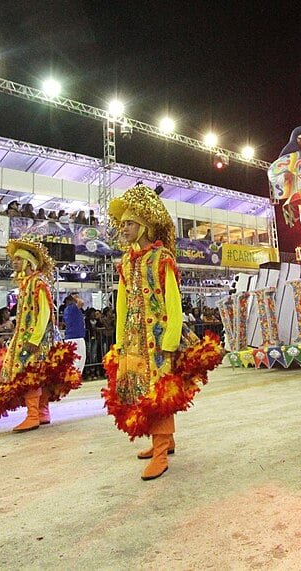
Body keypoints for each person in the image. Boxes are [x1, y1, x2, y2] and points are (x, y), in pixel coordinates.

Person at [103, 184, 223, 481]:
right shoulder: (126, 262)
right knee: (140, 390)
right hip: (133, 340)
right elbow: (121, 304)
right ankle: (164, 441)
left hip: (158, 340)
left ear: (143, 225)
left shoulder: (162, 258)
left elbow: (173, 300)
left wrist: (169, 340)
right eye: (122, 224)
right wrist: (119, 340)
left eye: (129, 223)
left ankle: (160, 453)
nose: (124, 228)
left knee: (158, 391)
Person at [0, 239, 81, 432]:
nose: (15, 262)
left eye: (19, 259)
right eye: (14, 259)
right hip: (27, 338)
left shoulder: (38, 282)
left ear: (29, 262)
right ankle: (42, 412)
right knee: (39, 375)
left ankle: (34, 415)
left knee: (31, 375)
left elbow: (45, 312)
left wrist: (34, 339)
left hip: (36, 340)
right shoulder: (26, 283)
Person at [62, 293, 87, 376]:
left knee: (72, 362)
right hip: (77, 338)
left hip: (70, 338)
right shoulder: (72, 308)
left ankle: (71, 378)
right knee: (79, 361)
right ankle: (73, 379)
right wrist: (76, 298)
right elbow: (81, 302)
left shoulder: (66, 310)